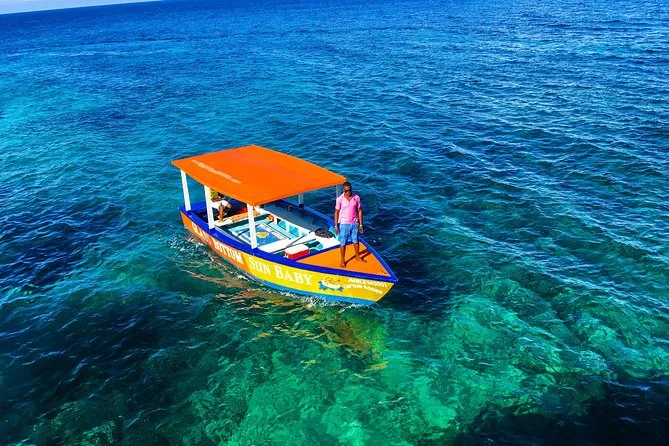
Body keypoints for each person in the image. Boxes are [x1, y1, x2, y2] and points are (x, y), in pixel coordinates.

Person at [334, 181, 366, 268]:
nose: (348, 192)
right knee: (343, 242)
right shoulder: (339, 199)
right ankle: (342, 260)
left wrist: (361, 224)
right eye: (346, 191)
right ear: (343, 190)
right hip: (344, 224)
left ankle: (357, 256)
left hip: (355, 223)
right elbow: (336, 212)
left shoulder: (356, 197)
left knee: (356, 240)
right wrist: (336, 226)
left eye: (349, 190)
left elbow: (359, 210)